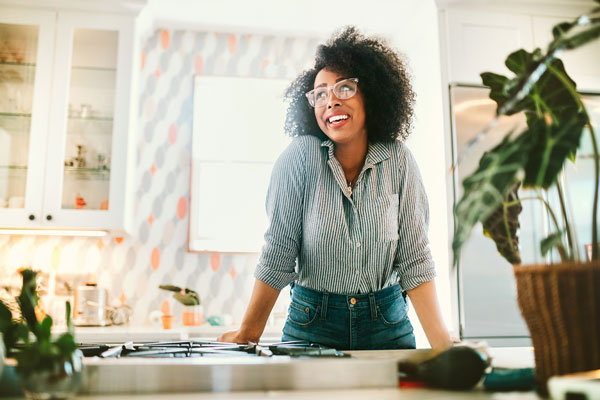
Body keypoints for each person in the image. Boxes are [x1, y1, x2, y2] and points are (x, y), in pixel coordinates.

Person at [218, 27, 451, 350]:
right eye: (321, 93)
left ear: (371, 93)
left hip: (387, 325)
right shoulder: (300, 158)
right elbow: (279, 251)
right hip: (313, 325)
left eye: (345, 88)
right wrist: (248, 333)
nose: (331, 101)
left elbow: (415, 260)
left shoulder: (399, 161)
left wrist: (444, 347)